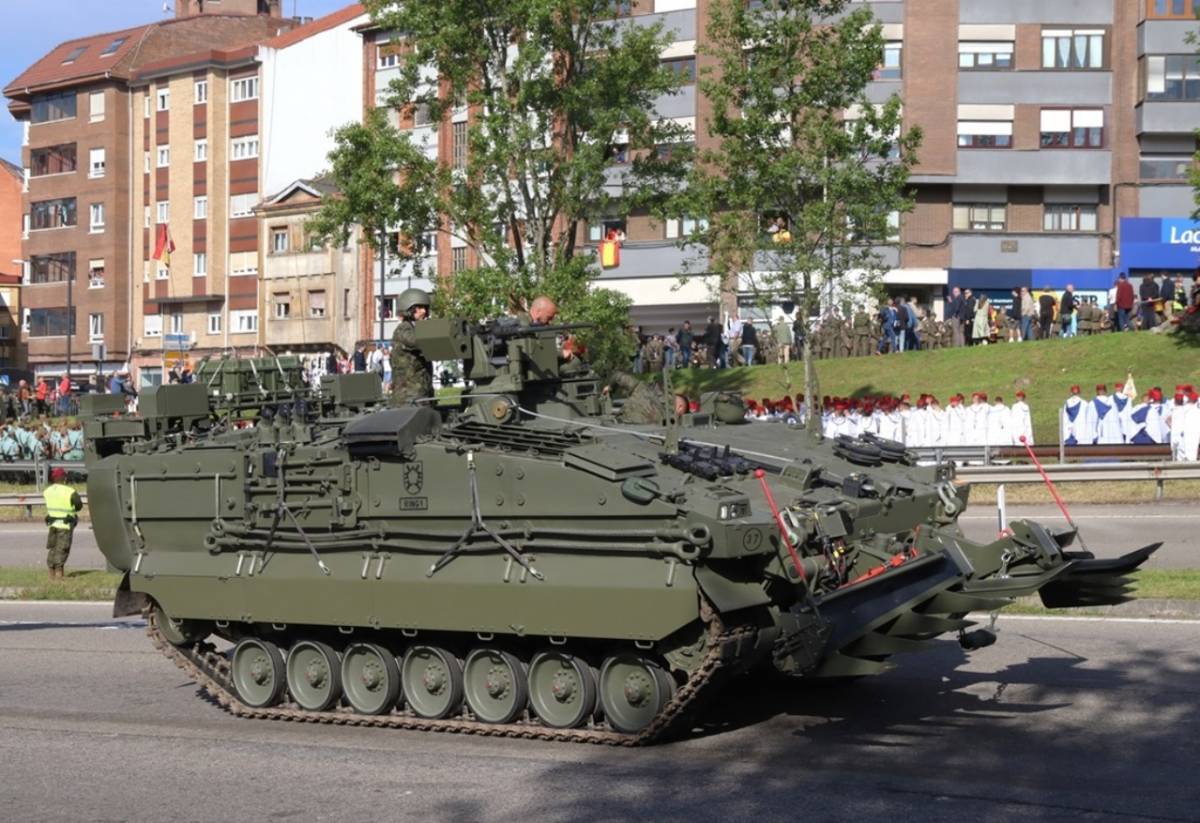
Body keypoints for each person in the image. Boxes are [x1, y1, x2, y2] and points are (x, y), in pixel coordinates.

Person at [389, 288, 434, 406]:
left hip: (420, 391)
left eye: (425, 308)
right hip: (409, 395)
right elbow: (416, 341)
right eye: (419, 308)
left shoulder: (415, 328)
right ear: (409, 309)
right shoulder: (404, 328)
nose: (424, 311)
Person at [42, 467, 83, 581]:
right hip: (65, 525)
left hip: (52, 524)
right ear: (64, 478)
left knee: (53, 548)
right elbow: (79, 505)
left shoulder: (47, 491)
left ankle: (51, 574)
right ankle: (59, 575)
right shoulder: (69, 491)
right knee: (63, 549)